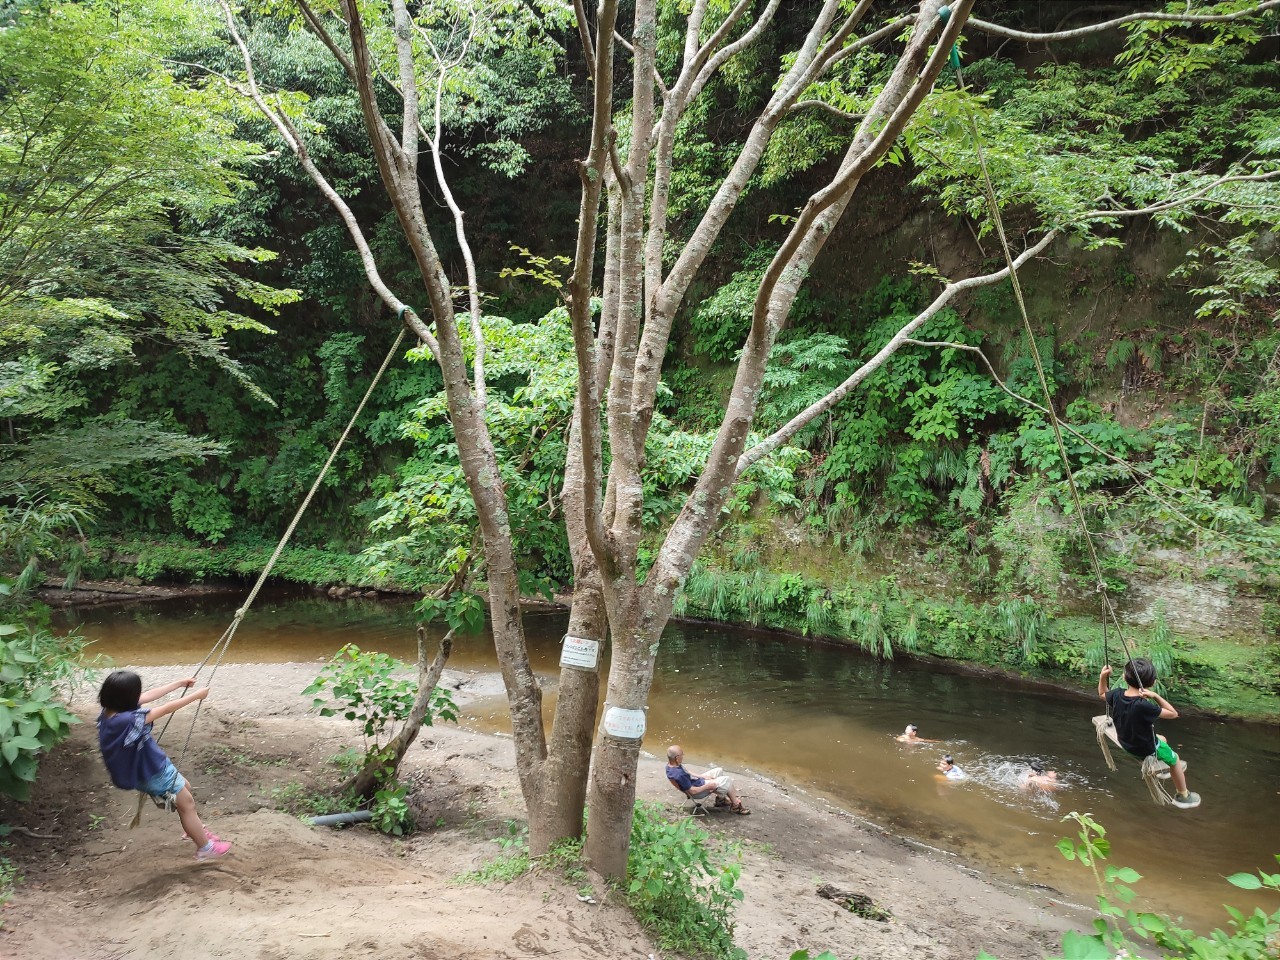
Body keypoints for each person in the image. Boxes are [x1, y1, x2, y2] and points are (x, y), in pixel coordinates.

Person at [97, 670, 233, 860]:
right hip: (151, 771)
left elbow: (149, 695)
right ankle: (206, 848)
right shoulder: (126, 720)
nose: (140, 696)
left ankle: (194, 829)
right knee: (187, 803)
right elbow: (166, 709)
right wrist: (196, 696)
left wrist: (179, 683)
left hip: (149, 767)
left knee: (185, 788)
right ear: (126, 697)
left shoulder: (111, 711)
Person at [1098, 659, 1200, 810]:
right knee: (1176, 759)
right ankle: (1183, 795)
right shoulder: (1144, 705)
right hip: (1142, 749)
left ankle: (1164, 769)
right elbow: (1173, 714)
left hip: (1126, 742)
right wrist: (1155, 697)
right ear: (1152, 683)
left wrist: (1102, 677)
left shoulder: (1117, 694)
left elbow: (1102, 693)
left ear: (1125, 678)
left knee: (1162, 739)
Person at [665, 745, 750, 815]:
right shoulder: (678, 775)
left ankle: (721, 799)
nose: (683, 756)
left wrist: (702, 776)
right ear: (676, 758)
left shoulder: (671, 765)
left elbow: (687, 772)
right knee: (727, 780)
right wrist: (707, 786)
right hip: (697, 791)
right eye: (682, 754)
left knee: (718, 770)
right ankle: (735, 805)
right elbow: (692, 791)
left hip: (696, 782)